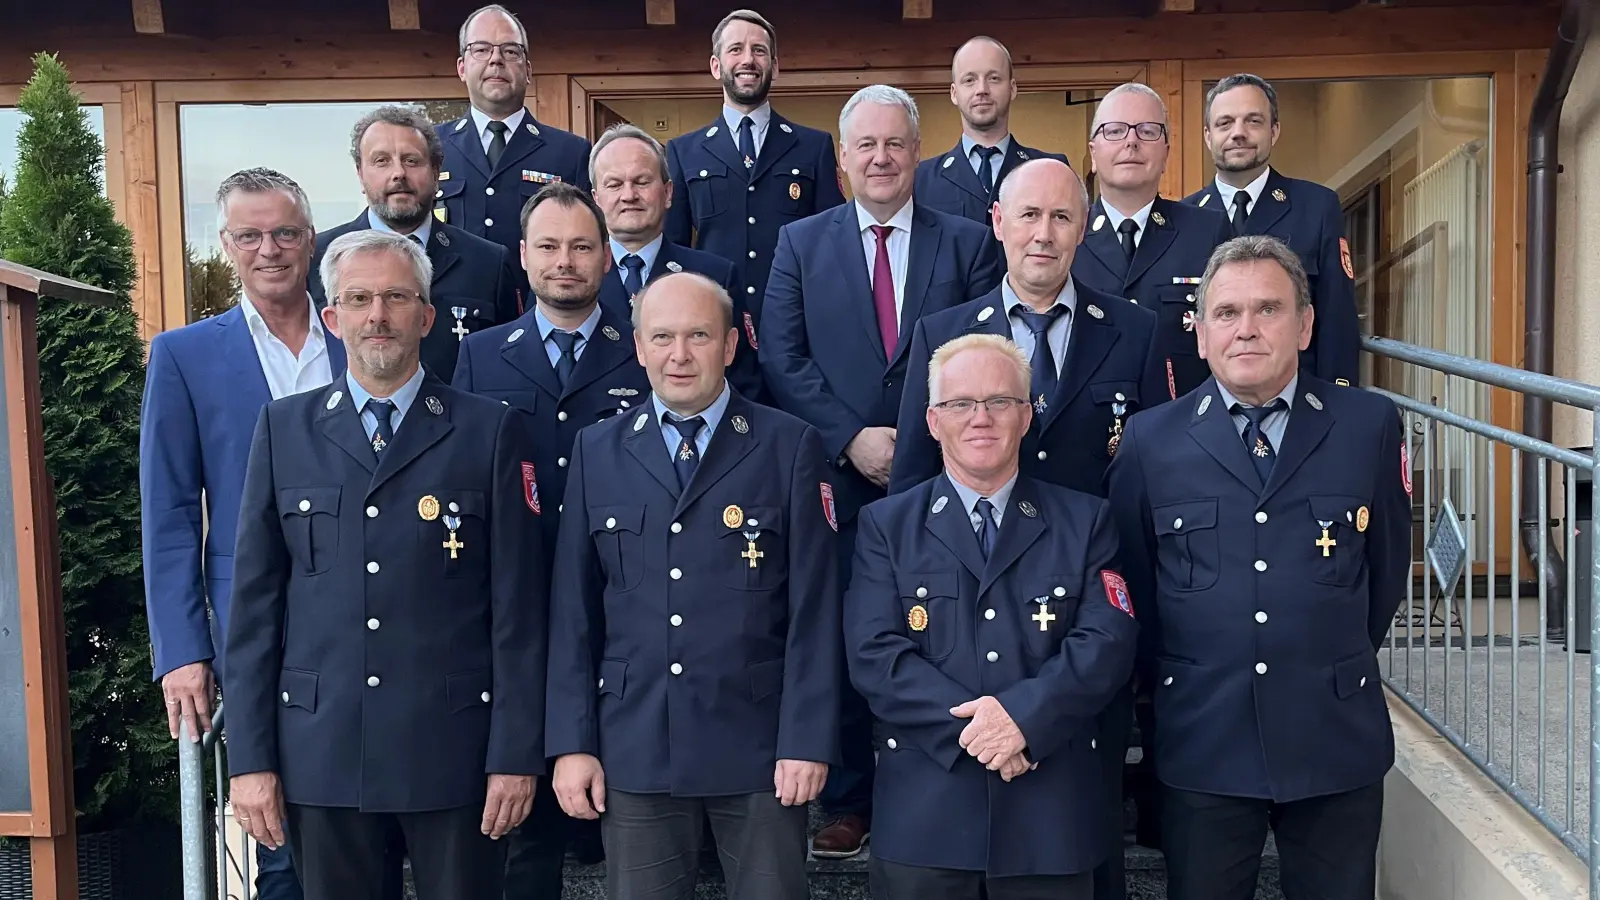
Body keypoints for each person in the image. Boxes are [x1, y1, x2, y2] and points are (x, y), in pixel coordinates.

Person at [225, 229, 547, 900]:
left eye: (397, 297)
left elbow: (519, 613)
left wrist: (515, 756)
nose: (378, 315)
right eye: (360, 298)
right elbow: (255, 614)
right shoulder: (284, 431)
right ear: (333, 317)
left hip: (454, 751)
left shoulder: (489, 430)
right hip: (324, 750)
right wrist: (250, 761)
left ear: (426, 317)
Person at [1106, 235, 1410, 900]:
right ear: (1202, 334)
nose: (1246, 329)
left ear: (1304, 326)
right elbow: (1135, 587)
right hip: (1204, 738)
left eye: (1268, 309)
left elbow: (1384, 569)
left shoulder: (1368, 425)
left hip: (1334, 735)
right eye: (1227, 313)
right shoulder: (1151, 442)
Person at [759, 83, 1000, 859]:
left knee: (942, 635)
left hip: (939, 475)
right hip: (834, 481)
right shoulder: (801, 243)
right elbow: (781, 357)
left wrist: (917, 438)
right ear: (841, 159)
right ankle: (853, 798)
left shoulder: (964, 243)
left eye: (896, 143)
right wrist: (848, 437)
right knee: (845, 636)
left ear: (918, 153)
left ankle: (938, 783)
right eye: (865, 145)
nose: (882, 157)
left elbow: (976, 352)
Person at [545, 270, 841, 900]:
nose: (679, 355)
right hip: (636, 744)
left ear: (731, 346)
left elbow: (815, 609)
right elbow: (573, 613)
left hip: (760, 747)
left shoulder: (788, 446)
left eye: (699, 336)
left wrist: (807, 739)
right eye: (663, 338)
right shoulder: (597, 451)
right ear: (639, 346)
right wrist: (572, 744)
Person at [845, 332, 1138, 900]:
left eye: (1000, 401)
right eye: (960, 403)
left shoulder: (1086, 522)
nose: (981, 418)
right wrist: (987, 733)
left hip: (1049, 821)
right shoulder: (887, 527)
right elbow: (874, 655)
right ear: (933, 421)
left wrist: (1024, 720)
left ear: (1026, 416)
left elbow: (1107, 640)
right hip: (926, 825)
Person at [140, 167, 344, 900]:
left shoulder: (359, 333)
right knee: (279, 833)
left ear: (311, 240)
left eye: (285, 232)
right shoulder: (185, 356)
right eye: (250, 235)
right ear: (225, 245)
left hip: (371, 616)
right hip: (257, 631)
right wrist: (183, 649)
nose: (270, 249)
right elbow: (165, 512)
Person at [452, 180, 650, 894]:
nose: (564, 261)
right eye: (548, 246)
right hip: (520, 597)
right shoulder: (480, 355)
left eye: (580, 246)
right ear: (524, 256)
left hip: (624, 592)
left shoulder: (645, 348)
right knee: (526, 830)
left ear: (605, 257)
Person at [310, 104, 521, 383]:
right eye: (381, 161)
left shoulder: (487, 263)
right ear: (360, 174)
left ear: (436, 174)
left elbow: (506, 366)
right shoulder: (318, 259)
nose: (399, 173)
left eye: (411, 160)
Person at [663, 8, 846, 326]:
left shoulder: (813, 147)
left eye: (759, 50)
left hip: (795, 322)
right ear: (716, 66)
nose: (748, 60)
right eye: (736, 49)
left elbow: (833, 243)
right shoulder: (683, 152)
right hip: (714, 323)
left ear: (774, 66)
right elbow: (674, 249)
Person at [1184, 73, 1361, 387]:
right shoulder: (1183, 219)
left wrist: (1337, 403)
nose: (1238, 133)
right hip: (1203, 408)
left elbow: (1337, 321)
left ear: (1274, 131)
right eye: (1225, 123)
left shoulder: (1316, 207)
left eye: (1253, 121)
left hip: (1296, 403)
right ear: (1208, 136)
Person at [1069, 82, 1231, 403]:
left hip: (1187, 427)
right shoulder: (1065, 233)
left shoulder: (1208, 231)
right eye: (1114, 131)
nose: (1131, 141)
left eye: (1147, 131)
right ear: (1093, 153)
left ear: (1167, 152)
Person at [590, 122, 765, 402]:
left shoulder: (715, 275)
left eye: (642, 181)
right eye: (614, 184)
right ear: (596, 198)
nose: (628, 195)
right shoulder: (573, 276)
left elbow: (745, 381)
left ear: (668, 193)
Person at [435, 4, 592, 275]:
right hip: (453, 311)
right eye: (481, 49)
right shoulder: (431, 147)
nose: (496, 60)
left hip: (533, 309)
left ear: (528, 71)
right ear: (462, 68)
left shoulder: (571, 153)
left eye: (510, 51)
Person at [913, 35, 1072, 263]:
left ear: (1013, 88)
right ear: (953, 93)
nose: (982, 90)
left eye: (994, 78)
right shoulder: (922, 179)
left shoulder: (1050, 169)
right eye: (969, 80)